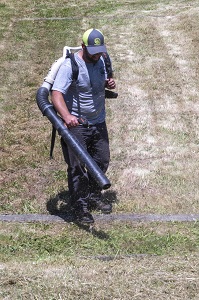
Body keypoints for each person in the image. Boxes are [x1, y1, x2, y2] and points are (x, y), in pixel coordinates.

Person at [51, 28, 116, 224]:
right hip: (77, 125)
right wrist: (67, 116)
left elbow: (100, 79)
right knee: (77, 166)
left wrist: (108, 83)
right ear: (83, 47)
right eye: (93, 52)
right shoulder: (70, 65)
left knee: (102, 160)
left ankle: (94, 195)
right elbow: (56, 94)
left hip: (98, 121)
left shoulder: (102, 59)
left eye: (100, 51)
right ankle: (80, 206)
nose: (97, 55)